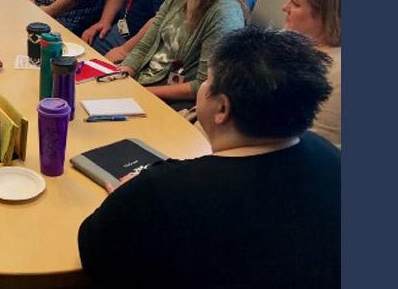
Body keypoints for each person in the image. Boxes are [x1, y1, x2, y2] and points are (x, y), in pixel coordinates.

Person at [78, 26, 340, 288]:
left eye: (207, 80)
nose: (202, 86)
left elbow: (93, 253)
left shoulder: (161, 190)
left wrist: (122, 202)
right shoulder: (332, 158)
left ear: (222, 108)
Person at [118, 0, 246, 108]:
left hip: (173, 100)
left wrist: (142, 92)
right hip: (144, 83)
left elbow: (204, 85)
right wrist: (124, 71)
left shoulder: (224, 13)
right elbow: (145, 45)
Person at [283, 0, 341, 146]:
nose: (285, 7)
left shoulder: (336, 74)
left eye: (295, 3)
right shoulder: (290, 38)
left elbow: (317, 146)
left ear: (327, 16)